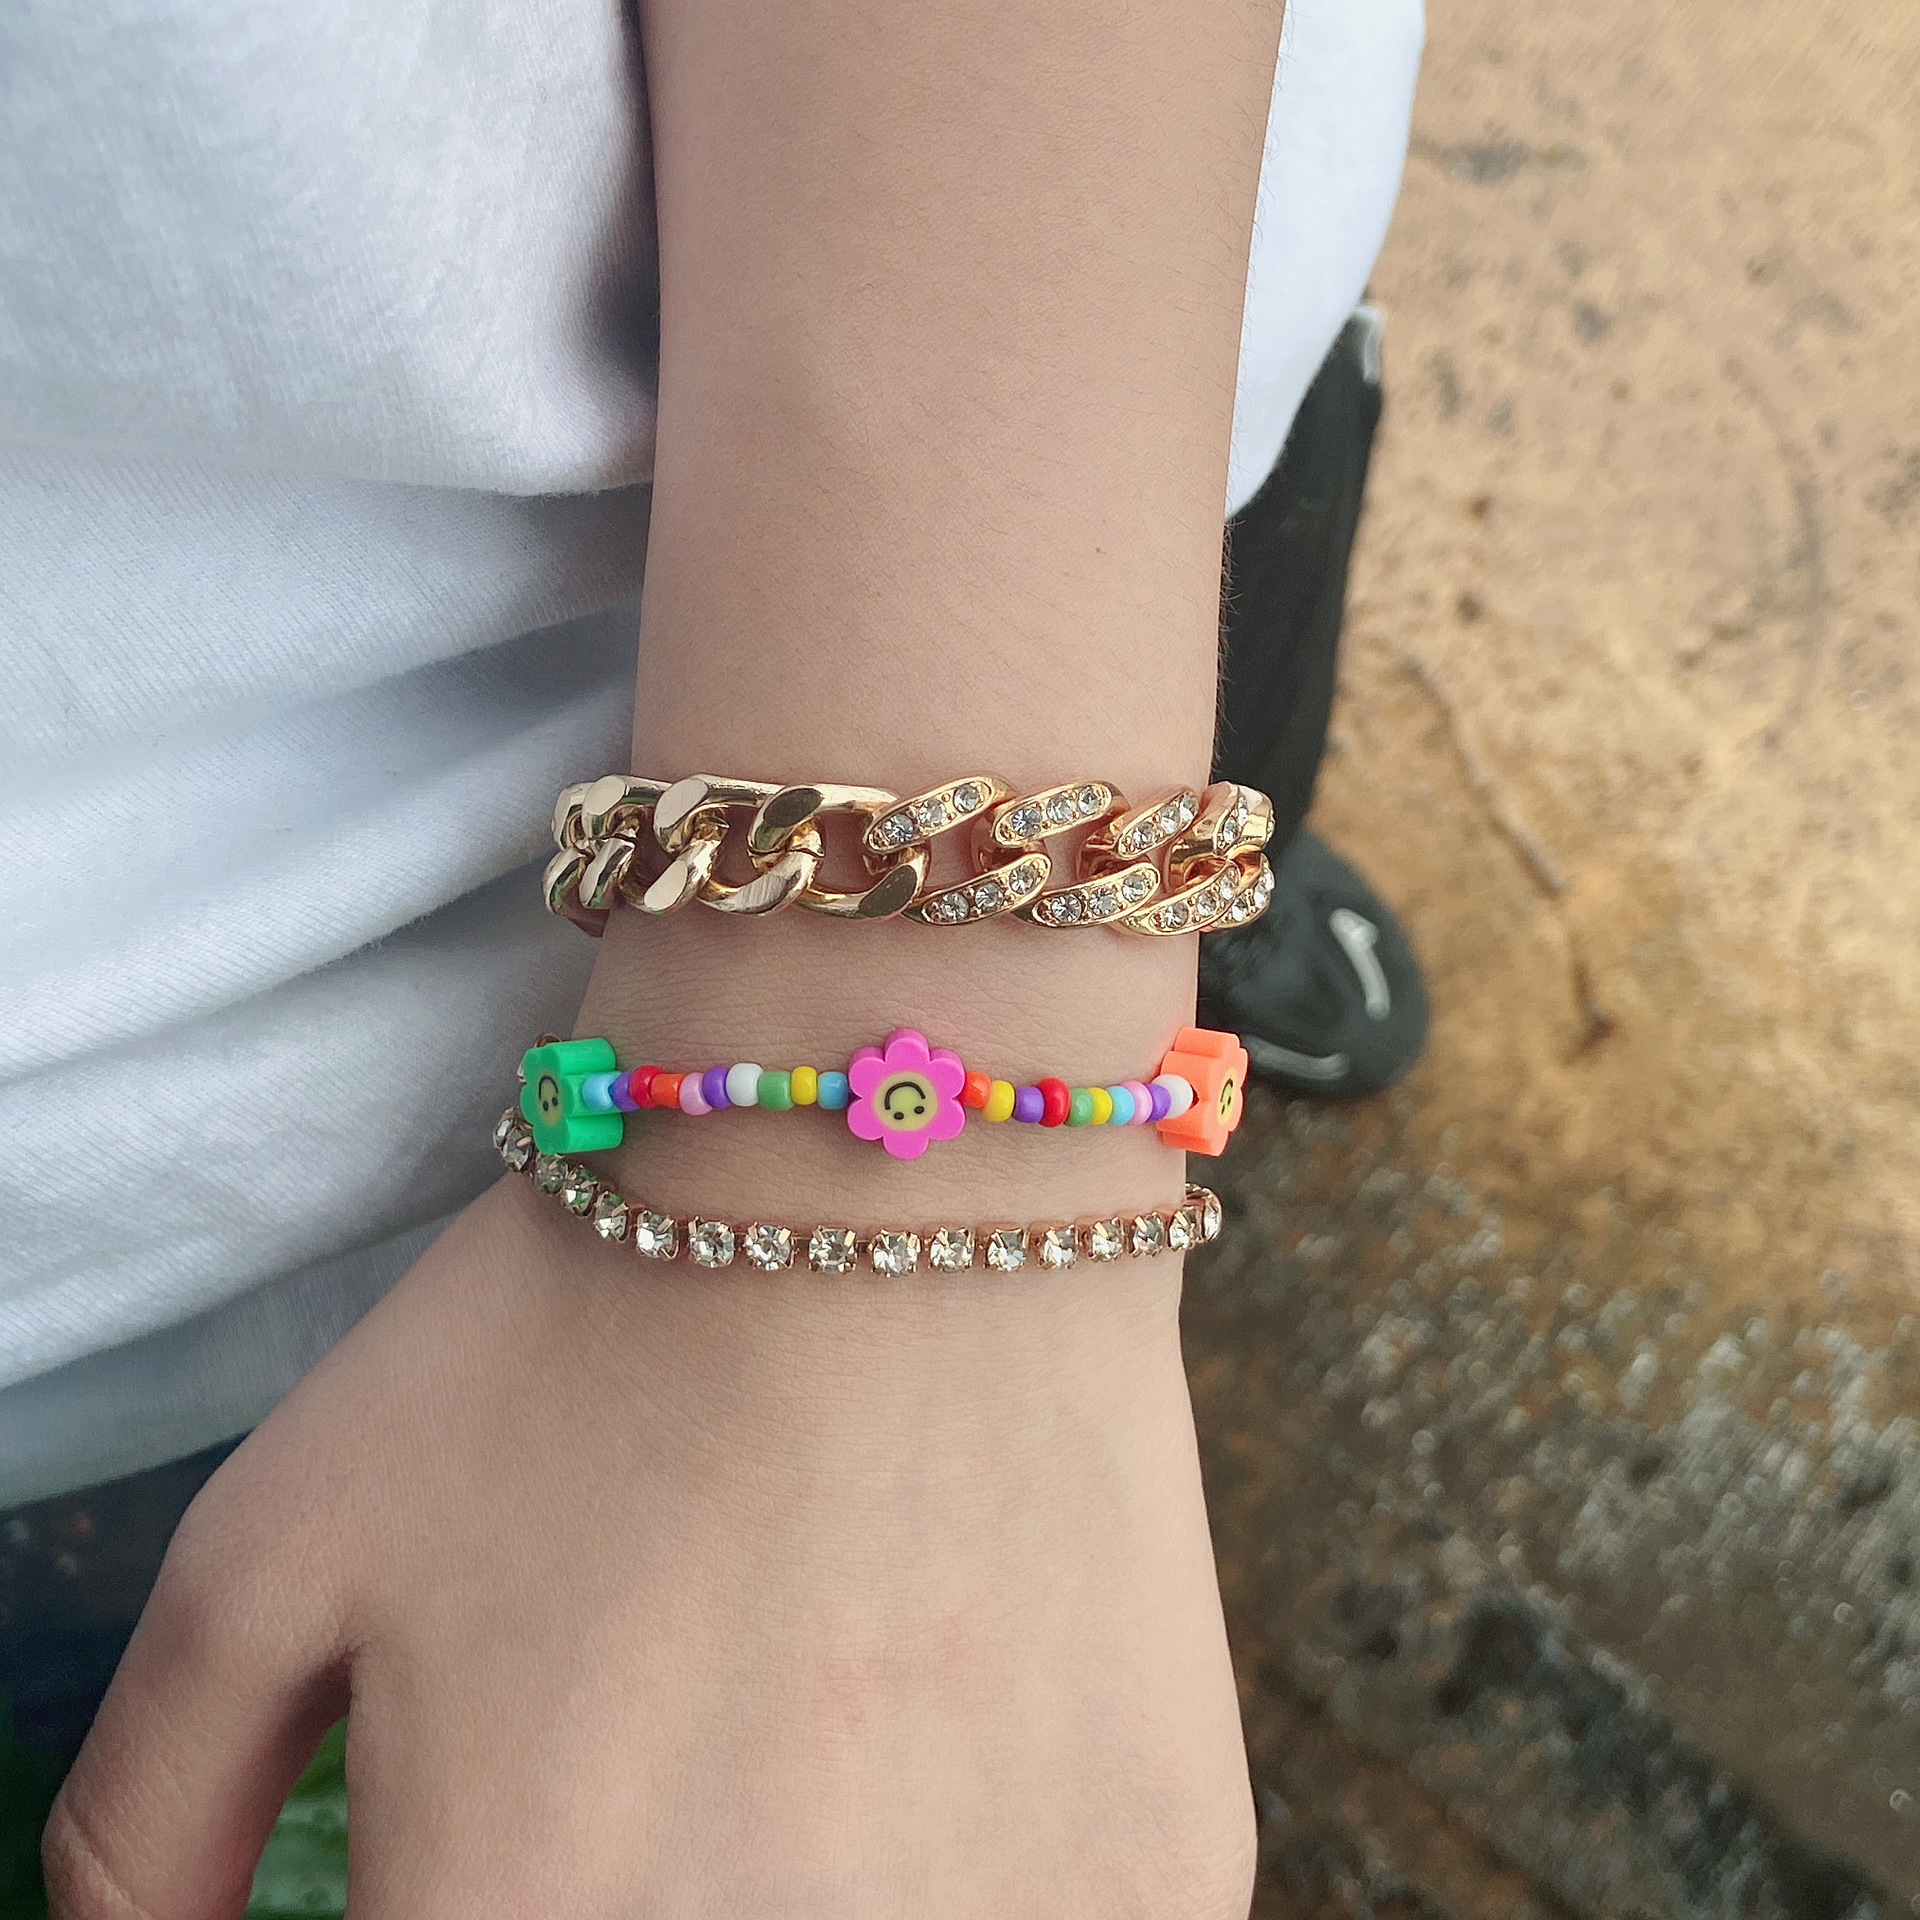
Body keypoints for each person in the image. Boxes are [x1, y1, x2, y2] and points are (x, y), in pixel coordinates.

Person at [2, 0, 1423, 1910]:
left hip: (1004, 529)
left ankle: (1163, 974)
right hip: (93, 1299)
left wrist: (939, 1179)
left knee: (1196, 789)